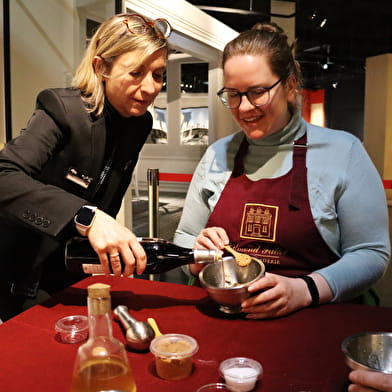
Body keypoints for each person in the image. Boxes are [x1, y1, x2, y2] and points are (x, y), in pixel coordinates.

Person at [174, 22, 390, 319]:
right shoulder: (217, 155)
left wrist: (304, 290)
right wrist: (197, 257)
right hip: (227, 318)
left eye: (258, 92)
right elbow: (185, 237)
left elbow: (370, 253)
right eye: (233, 94)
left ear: (289, 86)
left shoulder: (344, 152)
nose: (245, 107)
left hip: (313, 322)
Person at [0, 13, 171, 321]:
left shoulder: (139, 122)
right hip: (24, 275)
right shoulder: (61, 109)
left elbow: (111, 190)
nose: (150, 88)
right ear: (100, 67)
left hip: (77, 270)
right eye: (136, 72)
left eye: (158, 75)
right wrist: (87, 217)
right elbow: (4, 176)